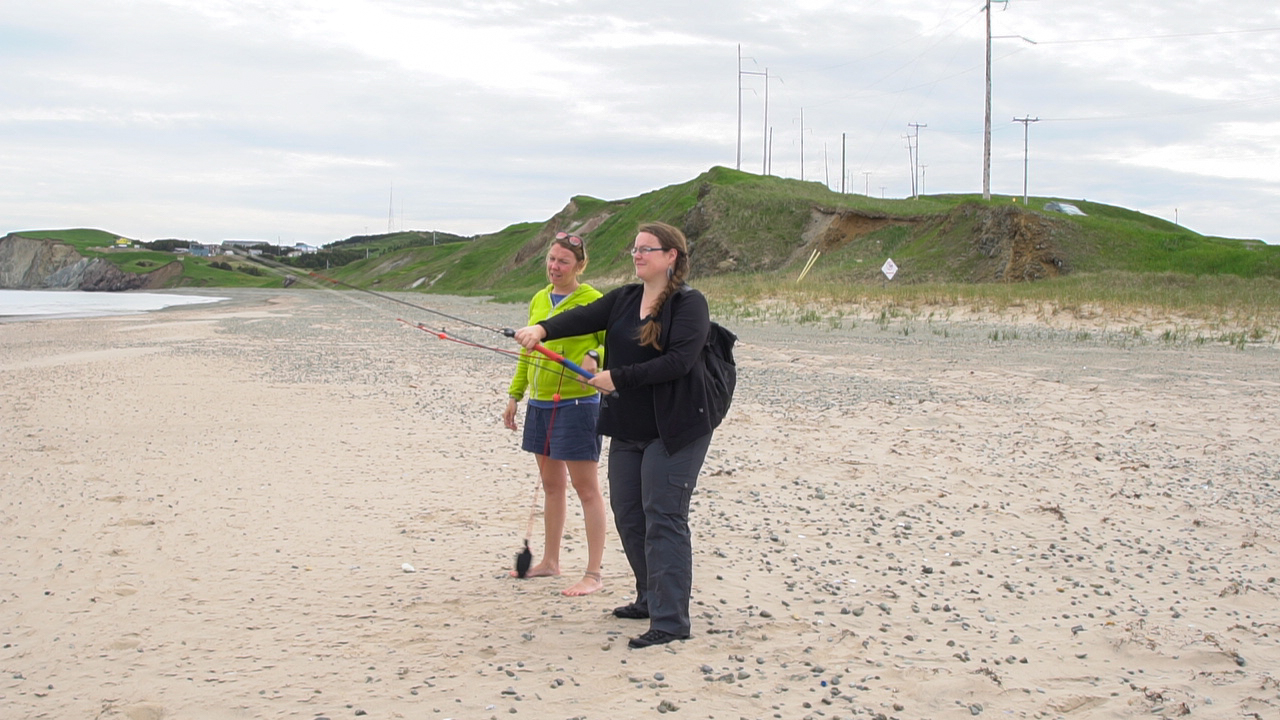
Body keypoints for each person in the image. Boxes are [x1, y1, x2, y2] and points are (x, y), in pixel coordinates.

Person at [513, 221, 715, 648]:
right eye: (635, 249)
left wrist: (615, 377)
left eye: (647, 249)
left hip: (675, 428)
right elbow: (583, 316)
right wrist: (542, 330)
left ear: (671, 256)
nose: (638, 255)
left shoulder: (689, 304)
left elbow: (678, 362)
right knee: (629, 514)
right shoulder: (625, 298)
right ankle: (648, 597)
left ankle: (671, 619)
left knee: (664, 517)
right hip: (630, 427)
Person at [504, 231, 608, 597]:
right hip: (541, 402)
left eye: (564, 261)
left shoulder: (593, 300)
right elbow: (527, 350)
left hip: (578, 402)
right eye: (551, 259)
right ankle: (550, 562)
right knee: (551, 485)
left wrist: (595, 357)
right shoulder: (538, 299)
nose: (555, 267)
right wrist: (516, 395)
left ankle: (593, 574)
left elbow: (608, 343)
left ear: (580, 265)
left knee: (587, 488)